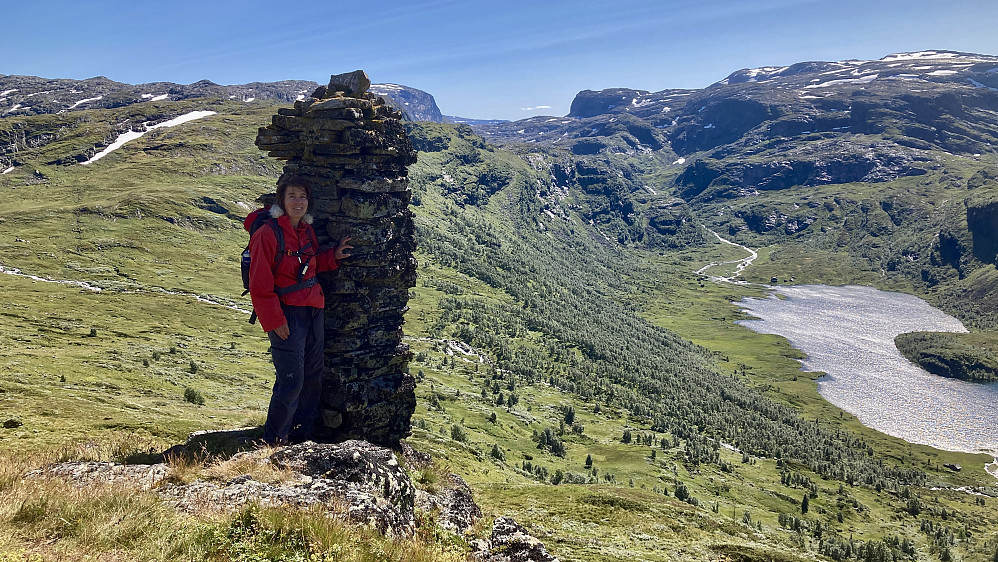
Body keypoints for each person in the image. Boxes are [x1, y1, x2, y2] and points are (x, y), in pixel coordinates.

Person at [244, 175, 351, 445]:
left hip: (314, 310)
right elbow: (259, 284)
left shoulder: (306, 230)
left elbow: (309, 266)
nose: (298, 201)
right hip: (287, 315)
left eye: (302, 196)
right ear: (281, 200)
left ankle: (300, 440)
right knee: (291, 380)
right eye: (292, 196)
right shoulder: (267, 234)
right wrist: (274, 321)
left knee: (312, 378)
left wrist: (332, 257)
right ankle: (273, 443)